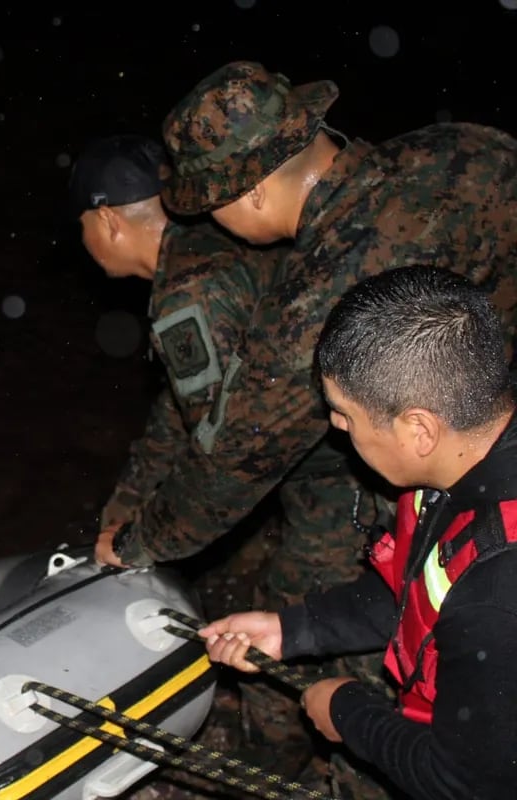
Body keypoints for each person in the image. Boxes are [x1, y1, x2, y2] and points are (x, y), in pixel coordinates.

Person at [69, 134, 392, 791]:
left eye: (80, 229)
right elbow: (182, 419)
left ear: (106, 221)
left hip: (341, 486)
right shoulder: (213, 251)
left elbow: (230, 461)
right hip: (335, 466)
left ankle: (265, 770)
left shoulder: (192, 294)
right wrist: (126, 505)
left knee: (291, 628)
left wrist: (136, 541)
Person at [201, 265, 517, 800]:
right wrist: (291, 630)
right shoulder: (457, 471)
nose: (336, 428)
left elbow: (467, 782)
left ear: (419, 429)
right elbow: (420, 587)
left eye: (345, 414)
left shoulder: (497, 598)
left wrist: (347, 711)